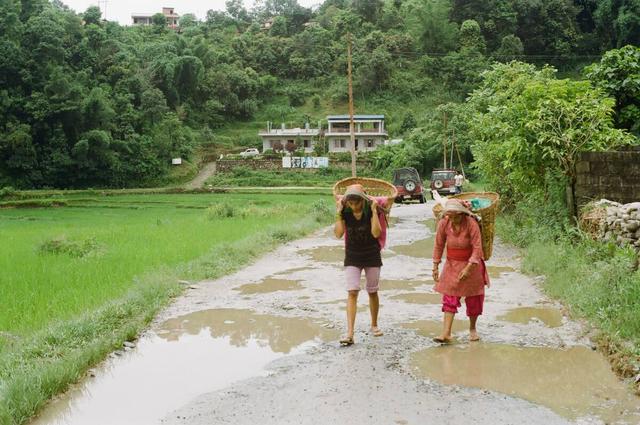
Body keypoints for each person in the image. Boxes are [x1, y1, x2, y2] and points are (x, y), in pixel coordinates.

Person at [334, 184, 394, 346]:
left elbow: (376, 233)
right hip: (352, 254)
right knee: (352, 291)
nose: (354, 206)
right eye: (351, 203)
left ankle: (374, 325)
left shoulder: (370, 210)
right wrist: (339, 214)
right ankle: (349, 333)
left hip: (371, 253)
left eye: (357, 203)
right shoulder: (345, 212)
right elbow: (339, 234)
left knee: (372, 291)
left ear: (363, 201)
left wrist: (374, 211)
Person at [432, 199, 490, 343]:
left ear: (462, 214)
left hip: (472, 264)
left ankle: (472, 329)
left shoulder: (471, 224)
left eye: (455, 216)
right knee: (449, 297)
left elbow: (477, 248)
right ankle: (446, 333)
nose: (452, 219)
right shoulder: (444, 223)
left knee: (474, 299)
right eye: (449, 216)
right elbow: (439, 244)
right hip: (452, 264)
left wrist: (469, 268)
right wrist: (435, 265)